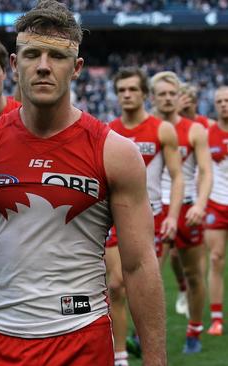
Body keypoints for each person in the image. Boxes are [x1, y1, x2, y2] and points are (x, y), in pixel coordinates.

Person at [0, 2, 167, 365]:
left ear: (77, 68)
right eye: (32, 54)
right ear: (14, 65)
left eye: (57, 56)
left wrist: (156, 360)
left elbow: (139, 264)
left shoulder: (115, 153)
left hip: (83, 338)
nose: (43, 66)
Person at [106, 67, 183, 365]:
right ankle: (121, 357)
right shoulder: (108, 130)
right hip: (115, 219)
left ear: (144, 94)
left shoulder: (162, 130)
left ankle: (145, 344)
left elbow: (176, 177)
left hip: (152, 219)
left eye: (132, 89)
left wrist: (173, 215)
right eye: (121, 90)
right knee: (115, 285)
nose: (126, 95)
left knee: (145, 287)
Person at [151, 71, 211, 353]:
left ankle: (194, 331)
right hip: (151, 210)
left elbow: (206, 171)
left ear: (179, 97)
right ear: (152, 97)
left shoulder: (195, 130)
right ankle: (144, 334)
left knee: (195, 273)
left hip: (186, 208)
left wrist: (200, 204)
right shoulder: (144, 128)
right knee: (147, 276)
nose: (166, 99)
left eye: (171, 94)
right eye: (161, 93)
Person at [205, 86, 228, 337]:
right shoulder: (207, 134)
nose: (223, 105)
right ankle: (217, 319)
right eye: (219, 101)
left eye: (227, 101)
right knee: (215, 259)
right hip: (216, 204)